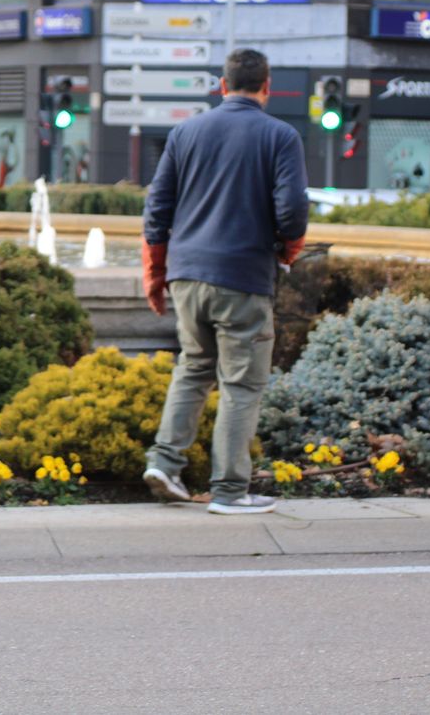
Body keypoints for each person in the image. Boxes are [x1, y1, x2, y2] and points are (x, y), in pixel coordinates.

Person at [140, 49, 309, 516]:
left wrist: (156, 274)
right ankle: (231, 491)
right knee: (240, 384)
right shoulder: (281, 136)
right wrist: (287, 250)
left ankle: (165, 464)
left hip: (187, 274)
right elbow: (293, 209)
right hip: (243, 276)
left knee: (194, 368)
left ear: (222, 85)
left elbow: (156, 209)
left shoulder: (185, 132)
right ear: (267, 86)